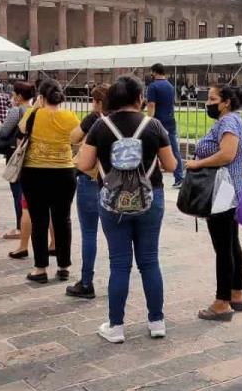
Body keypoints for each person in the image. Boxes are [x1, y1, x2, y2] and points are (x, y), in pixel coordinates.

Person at [75, 76, 177, 342]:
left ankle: (116, 326)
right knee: (150, 261)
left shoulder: (101, 126)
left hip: (112, 200)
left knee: (119, 263)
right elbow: (171, 165)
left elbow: (83, 163)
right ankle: (157, 321)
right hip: (150, 197)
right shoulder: (153, 125)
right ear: (139, 98)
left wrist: (105, 166)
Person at [186, 84, 242, 321]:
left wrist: (197, 163)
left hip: (222, 192)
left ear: (226, 102)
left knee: (223, 248)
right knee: (231, 244)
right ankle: (236, 293)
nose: (208, 103)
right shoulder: (236, 120)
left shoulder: (228, 122)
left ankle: (222, 302)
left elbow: (227, 154)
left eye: (212, 99)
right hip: (232, 190)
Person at [19, 78, 80, 283]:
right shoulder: (70, 116)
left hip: (35, 172)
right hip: (64, 172)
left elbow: (21, 129)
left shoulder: (34, 114)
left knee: (39, 221)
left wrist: (35, 107)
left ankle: (40, 268)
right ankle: (63, 266)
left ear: (42, 97)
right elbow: (77, 138)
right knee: (63, 219)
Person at [67, 84, 109, 299]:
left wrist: (90, 118)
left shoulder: (95, 120)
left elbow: (73, 137)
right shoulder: (121, 120)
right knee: (117, 236)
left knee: (89, 233)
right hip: (114, 182)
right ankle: (118, 278)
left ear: (99, 102)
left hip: (90, 178)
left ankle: (86, 281)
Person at [0, 81, 35, 244]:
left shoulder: (16, 111)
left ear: (18, 96)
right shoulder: (35, 110)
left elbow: (4, 132)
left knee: (18, 192)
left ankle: (20, 226)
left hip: (17, 155)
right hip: (32, 156)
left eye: (13, 95)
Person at [145, 63, 183, 188]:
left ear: (154, 72)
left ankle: (150, 176)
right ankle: (179, 177)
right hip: (170, 121)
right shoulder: (170, 86)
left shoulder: (153, 86)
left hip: (158, 122)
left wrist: (148, 120)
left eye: (151, 72)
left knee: (151, 149)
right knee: (174, 149)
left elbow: (151, 105)